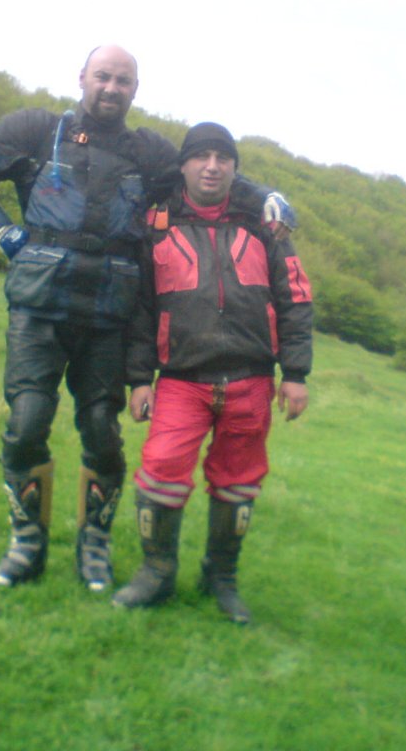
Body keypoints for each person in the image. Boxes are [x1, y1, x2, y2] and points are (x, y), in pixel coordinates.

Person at [0, 46, 296, 591]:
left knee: (102, 433)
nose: (111, 88)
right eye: (103, 76)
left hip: (110, 314)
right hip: (39, 305)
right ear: (82, 77)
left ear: (135, 89)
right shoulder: (35, 130)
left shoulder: (148, 151)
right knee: (27, 423)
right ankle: (27, 543)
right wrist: (2, 230)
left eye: (123, 80)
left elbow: (202, 176)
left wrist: (264, 194)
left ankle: (95, 545)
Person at [112, 122, 313, 624]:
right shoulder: (155, 222)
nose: (211, 166)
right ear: (183, 165)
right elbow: (140, 308)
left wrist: (296, 373)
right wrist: (138, 379)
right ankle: (156, 573)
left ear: (234, 169)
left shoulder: (266, 225)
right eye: (201, 156)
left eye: (223, 158)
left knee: (238, 483)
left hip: (252, 379)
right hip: (181, 380)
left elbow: (295, 298)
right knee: (160, 471)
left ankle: (221, 577)